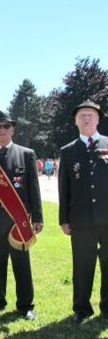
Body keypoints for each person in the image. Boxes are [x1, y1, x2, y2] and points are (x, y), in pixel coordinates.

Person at [0, 111, 43, 320]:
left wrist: (37, 217)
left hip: (18, 223)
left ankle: (25, 305)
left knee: (22, 265)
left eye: (6, 126)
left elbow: (34, 189)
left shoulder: (26, 154)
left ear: (12, 129)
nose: (2, 130)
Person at [58, 99, 108, 323]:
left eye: (91, 115)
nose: (86, 118)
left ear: (98, 119)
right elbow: (64, 187)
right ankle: (81, 308)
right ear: (75, 122)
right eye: (82, 115)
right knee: (82, 265)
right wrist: (64, 219)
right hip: (81, 220)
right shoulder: (68, 151)